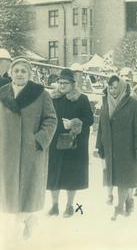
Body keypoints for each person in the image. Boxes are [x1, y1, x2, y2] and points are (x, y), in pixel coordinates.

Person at [0, 56, 57, 239]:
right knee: (11, 192)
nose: (19, 74)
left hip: (30, 150)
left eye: (23, 71)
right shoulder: (2, 93)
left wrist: (39, 140)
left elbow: (51, 119)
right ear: (10, 73)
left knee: (28, 190)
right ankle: (25, 220)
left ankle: (23, 222)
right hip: (6, 151)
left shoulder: (41, 94)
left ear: (30, 74)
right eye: (16, 70)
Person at [96, 74, 137, 221]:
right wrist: (99, 144)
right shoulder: (105, 102)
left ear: (123, 87)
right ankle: (129, 202)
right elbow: (101, 125)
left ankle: (119, 207)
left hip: (128, 149)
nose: (112, 90)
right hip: (110, 148)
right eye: (110, 87)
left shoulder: (134, 103)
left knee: (124, 180)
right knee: (116, 179)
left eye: (116, 87)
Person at [47, 69, 93, 217]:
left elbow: (89, 119)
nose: (61, 85)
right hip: (54, 142)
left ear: (73, 84)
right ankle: (54, 205)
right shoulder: (52, 98)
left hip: (74, 144)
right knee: (54, 175)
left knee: (71, 176)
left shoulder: (82, 99)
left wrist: (74, 123)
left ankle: (70, 206)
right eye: (59, 82)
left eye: (65, 83)